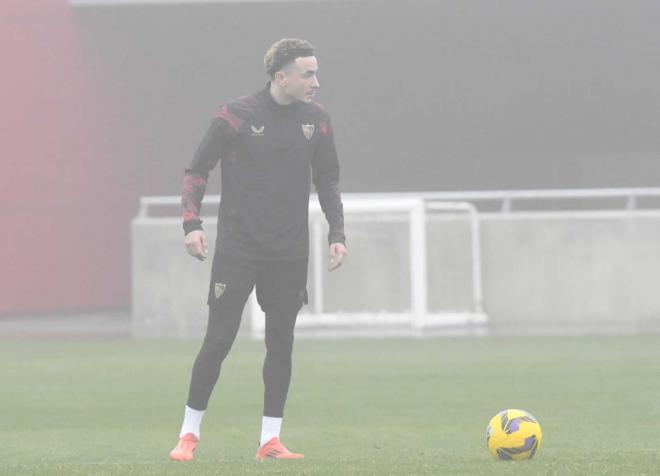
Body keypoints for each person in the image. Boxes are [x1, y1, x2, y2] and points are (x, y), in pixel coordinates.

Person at [169, 38, 347, 462]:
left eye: (316, 73)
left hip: (288, 253)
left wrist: (336, 232)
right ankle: (188, 435)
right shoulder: (235, 115)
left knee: (281, 343)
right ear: (280, 75)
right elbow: (197, 170)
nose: (316, 82)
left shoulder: (317, 120)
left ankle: (270, 440)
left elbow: (327, 179)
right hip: (238, 248)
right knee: (218, 342)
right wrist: (191, 224)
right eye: (308, 73)